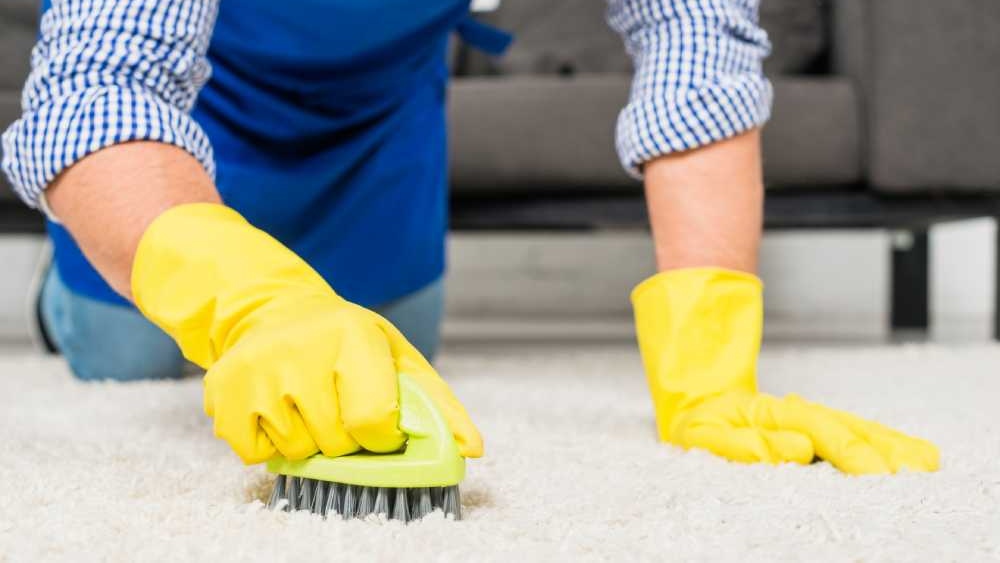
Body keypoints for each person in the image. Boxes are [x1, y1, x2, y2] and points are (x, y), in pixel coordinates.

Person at [1, 0, 938, 475]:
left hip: (376, 119)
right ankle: (66, 291)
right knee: (128, 349)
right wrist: (251, 303)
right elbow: (94, 94)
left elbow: (700, 49)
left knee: (389, 359)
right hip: (191, 105)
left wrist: (711, 372)